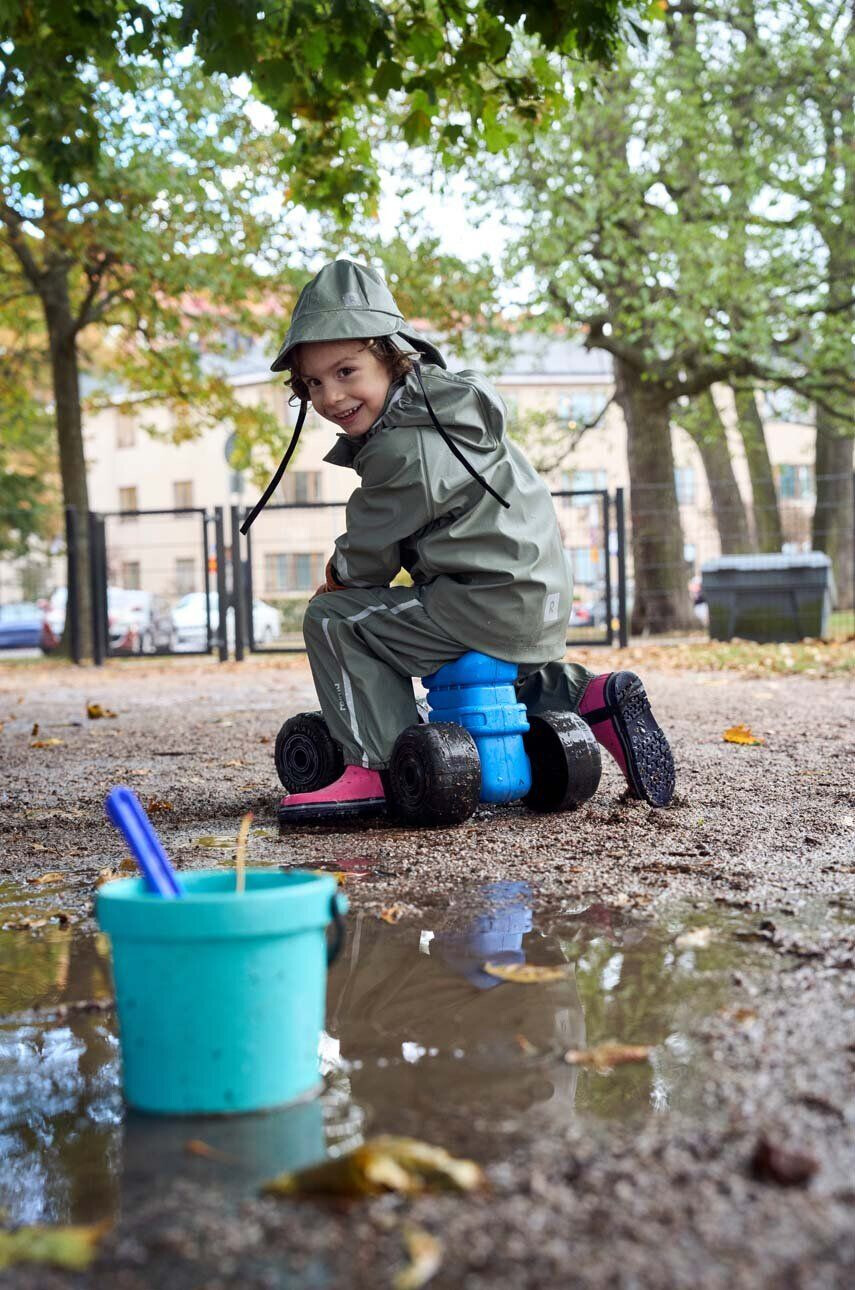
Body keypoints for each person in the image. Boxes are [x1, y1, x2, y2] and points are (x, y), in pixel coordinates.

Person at [243, 260, 675, 818]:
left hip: (480, 602)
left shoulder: (401, 448)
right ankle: (594, 699)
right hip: (535, 598)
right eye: (313, 384)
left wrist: (337, 580)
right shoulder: (452, 412)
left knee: (335, 621)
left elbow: (368, 557)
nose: (330, 397)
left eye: (346, 372)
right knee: (505, 662)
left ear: (392, 357)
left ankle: (372, 767)